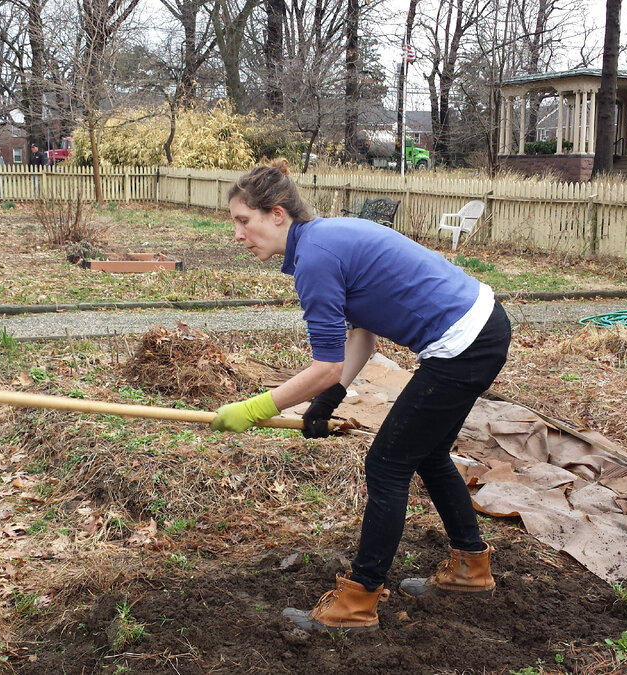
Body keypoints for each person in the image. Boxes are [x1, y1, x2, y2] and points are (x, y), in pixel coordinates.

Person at [211, 159, 511, 633]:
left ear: (276, 214)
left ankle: (357, 601)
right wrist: (327, 400)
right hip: (482, 329)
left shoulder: (315, 258)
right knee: (428, 454)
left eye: (243, 221)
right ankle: (470, 569)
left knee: (387, 465)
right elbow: (363, 337)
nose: (238, 234)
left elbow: (326, 363)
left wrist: (255, 408)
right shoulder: (323, 239)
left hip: (463, 345)